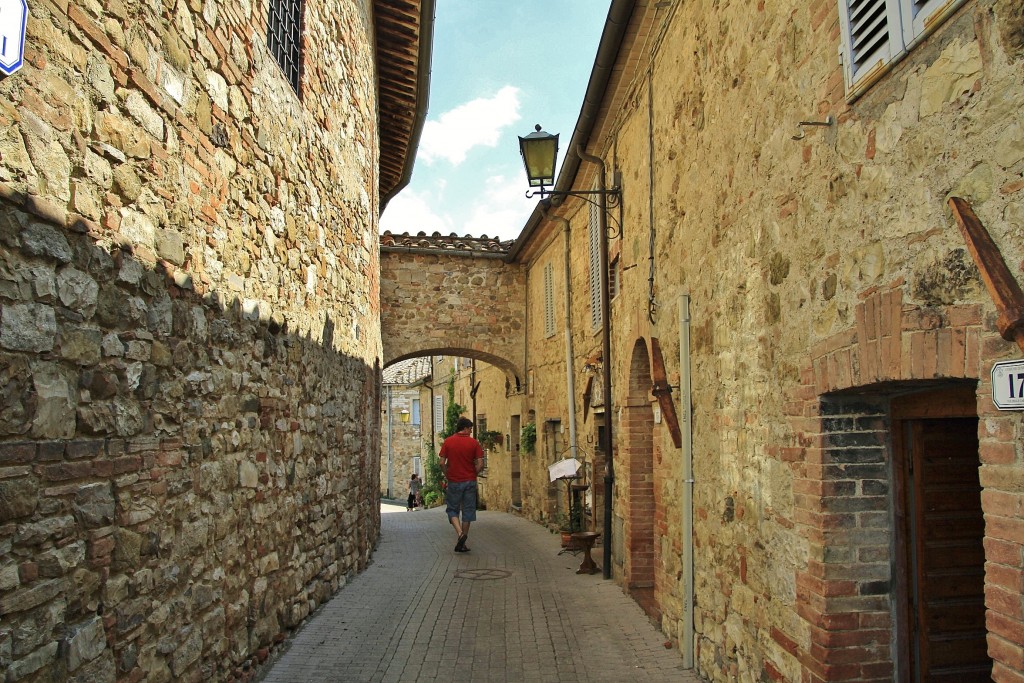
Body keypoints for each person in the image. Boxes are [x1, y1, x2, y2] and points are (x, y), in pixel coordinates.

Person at [438, 416, 484, 552]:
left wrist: (448, 475)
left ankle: (460, 534)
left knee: (452, 509)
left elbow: (441, 463)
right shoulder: (474, 443)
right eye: (470, 428)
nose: (471, 431)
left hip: (454, 481)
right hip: (469, 481)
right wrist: (473, 473)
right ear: (464, 428)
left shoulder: (448, 442)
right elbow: (481, 464)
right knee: (468, 511)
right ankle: (463, 542)